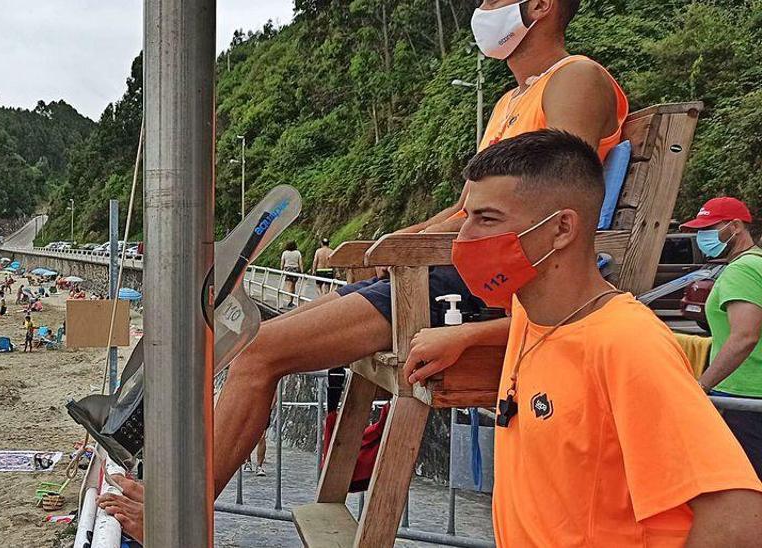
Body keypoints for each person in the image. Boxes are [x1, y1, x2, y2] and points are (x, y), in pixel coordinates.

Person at [205, 0, 631, 502]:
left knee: (258, 352)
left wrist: (427, 252)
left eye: (492, 0)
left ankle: (185, 516)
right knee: (251, 339)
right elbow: (465, 209)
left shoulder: (575, 78)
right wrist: (399, 243)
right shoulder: (507, 103)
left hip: (490, 283)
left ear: (540, 6)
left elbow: (560, 197)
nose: (481, 9)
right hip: (453, 269)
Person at [406, 130, 762, 545]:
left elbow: (738, 519)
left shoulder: (627, 345)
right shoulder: (533, 310)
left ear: (561, 229)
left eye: (487, 219)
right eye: (465, 218)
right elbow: (558, 334)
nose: (463, 238)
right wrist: (467, 336)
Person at [682, 196, 762, 477]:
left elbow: (745, 336)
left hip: (742, 396)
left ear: (736, 226)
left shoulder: (740, 270)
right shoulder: (757, 263)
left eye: (709, 228)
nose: (702, 237)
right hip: (751, 396)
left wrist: (701, 386)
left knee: (743, 485)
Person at [279, 241, 303, 308]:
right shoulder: (298, 253)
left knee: (288, 285)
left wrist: (281, 269)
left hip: (287, 270)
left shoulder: (285, 253)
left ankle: (289, 300)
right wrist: (302, 271)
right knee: (293, 285)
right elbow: (300, 263)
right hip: (295, 269)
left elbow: (282, 262)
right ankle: (291, 301)